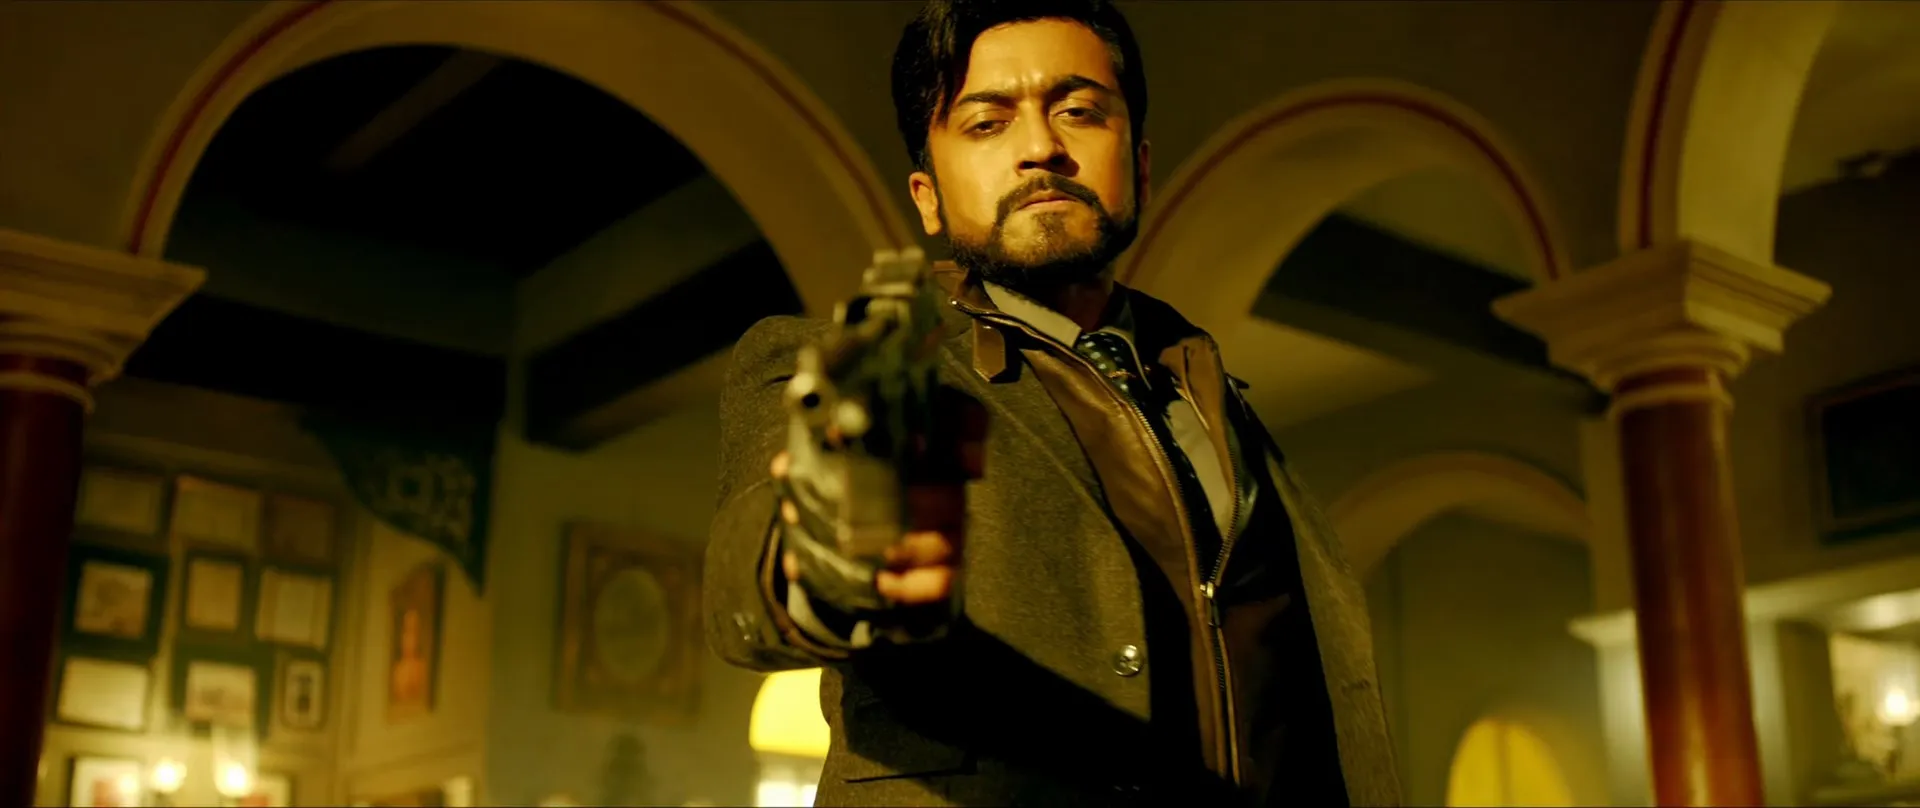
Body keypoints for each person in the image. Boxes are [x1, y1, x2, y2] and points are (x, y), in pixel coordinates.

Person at [704, 1, 1400, 805]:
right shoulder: (833, 362)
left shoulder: (1210, 391)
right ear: (928, 197)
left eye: (1079, 111)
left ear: (1140, 167)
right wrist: (822, 551)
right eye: (987, 123)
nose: (1040, 147)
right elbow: (753, 578)